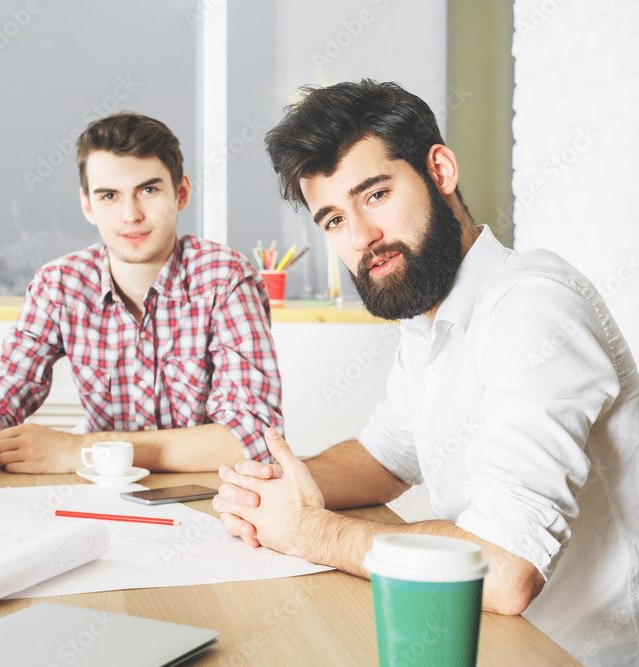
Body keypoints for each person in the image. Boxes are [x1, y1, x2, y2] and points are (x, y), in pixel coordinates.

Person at [213, 80, 638, 664]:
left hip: (571, 652)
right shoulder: (429, 317)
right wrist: (269, 490)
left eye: (375, 194)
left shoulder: (534, 309)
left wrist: (308, 530)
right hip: (478, 635)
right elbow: (383, 459)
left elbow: (506, 569)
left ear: (440, 170)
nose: (361, 238)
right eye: (333, 219)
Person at [0, 112, 282, 482]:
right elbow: (0, 398)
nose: (130, 215)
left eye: (148, 190)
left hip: (211, 499)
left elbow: (252, 439)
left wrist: (81, 450)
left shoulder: (226, 278)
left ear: (180, 193)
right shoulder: (58, 285)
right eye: (109, 196)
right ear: (87, 205)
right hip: (100, 499)